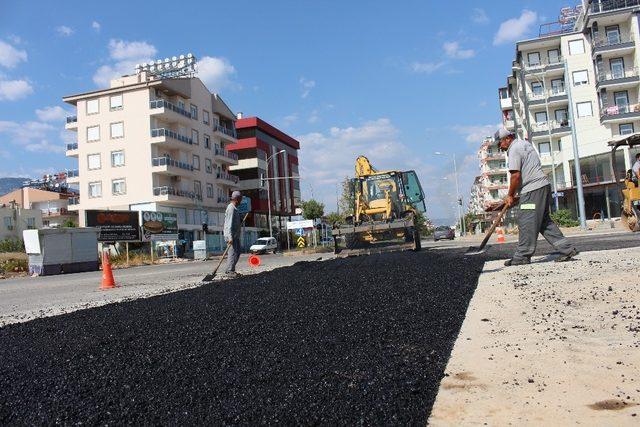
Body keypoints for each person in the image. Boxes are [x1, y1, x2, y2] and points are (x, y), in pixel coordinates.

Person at [493, 128, 578, 266]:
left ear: (507, 138)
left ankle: (522, 255)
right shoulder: (525, 145)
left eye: (500, 143)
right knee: (544, 222)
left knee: (526, 221)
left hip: (532, 189)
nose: (500, 147)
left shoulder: (514, 149)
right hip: (543, 186)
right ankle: (567, 249)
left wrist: (510, 195)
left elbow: (515, 175)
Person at [223, 191, 244, 277]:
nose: (241, 201)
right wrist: (229, 237)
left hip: (235, 235)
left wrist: (240, 220)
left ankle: (230, 269)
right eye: (240, 199)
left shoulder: (235, 209)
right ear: (237, 199)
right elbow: (228, 224)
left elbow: (235, 222)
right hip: (231, 236)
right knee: (232, 253)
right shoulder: (231, 208)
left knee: (237, 252)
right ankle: (229, 271)